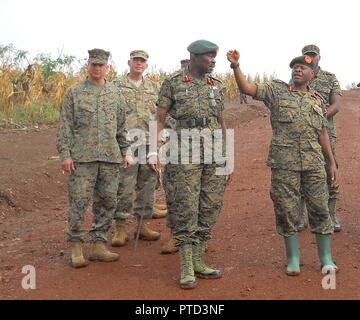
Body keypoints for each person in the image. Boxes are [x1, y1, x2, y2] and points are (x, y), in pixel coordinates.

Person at [227, 49, 339, 275]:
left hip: (314, 164)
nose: (298, 69)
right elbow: (247, 89)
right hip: (284, 163)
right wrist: (236, 67)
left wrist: (332, 162)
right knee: (286, 210)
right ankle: (294, 259)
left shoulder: (316, 100)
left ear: (312, 74)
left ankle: (326, 258)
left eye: (303, 67)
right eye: (295, 67)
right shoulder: (277, 91)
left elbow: (322, 132)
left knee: (320, 209)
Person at [152, 40, 231, 289]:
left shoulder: (216, 85)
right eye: (208, 56)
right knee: (185, 206)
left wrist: (227, 156)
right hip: (183, 151)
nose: (213, 60)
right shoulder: (174, 82)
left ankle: (199, 260)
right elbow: (160, 119)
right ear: (194, 57)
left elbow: (221, 121)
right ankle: (186, 266)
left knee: (210, 205)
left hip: (213, 152)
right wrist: (155, 151)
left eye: (214, 56)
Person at [57, 49, 131, 268]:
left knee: (107, 201)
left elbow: (121, 127)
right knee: (79, 202)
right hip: (82, 158)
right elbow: (65, 125)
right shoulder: (75, 92)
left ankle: (99, 244)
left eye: (101, 65)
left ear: (107, 67)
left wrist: (125, 151)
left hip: (110, 157)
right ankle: (77, 246)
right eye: (94, 64)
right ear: (88, 66)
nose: (97, 68)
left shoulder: (115, 93)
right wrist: (65, 154)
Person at [111, 50, 161, 247]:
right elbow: (111, 118)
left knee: (147, 186)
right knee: (124, 187)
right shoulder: (116, 87)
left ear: (146, 65)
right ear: (129, 63)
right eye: (136, 61)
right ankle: (120, 229)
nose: (139, 64)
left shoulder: (154, 88)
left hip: (148, 145)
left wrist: (157, 147)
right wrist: (119, 148)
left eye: (143, 61)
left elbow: (160, 117)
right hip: (126, 145)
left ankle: (142, 226)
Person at [297, 44, 342, 232]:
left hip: (325, 132)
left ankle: (330, 214)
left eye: (313, 55)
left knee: (329, 169)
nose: (310, 58)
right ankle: (299, 215)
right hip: (302, 134)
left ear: (319, 58)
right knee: (299, 170)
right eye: (306, 55)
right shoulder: (298, 77)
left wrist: (320, 116)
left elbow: (337, 104)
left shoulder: (330, 78)